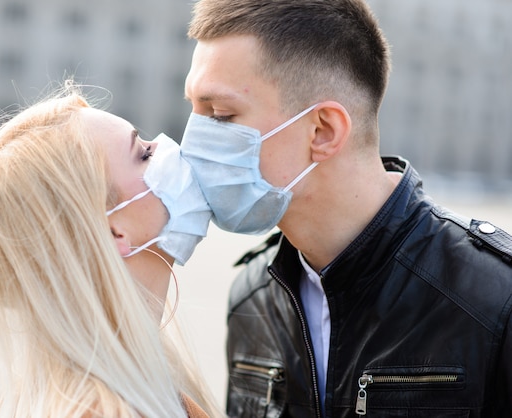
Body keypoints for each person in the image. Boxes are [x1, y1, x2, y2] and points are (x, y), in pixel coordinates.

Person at [179, 0, 512, 417]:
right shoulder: (253, 297)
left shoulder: (494, 299)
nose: (193, 143)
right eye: (194, 111)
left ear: (323, 130)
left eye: (221, 116)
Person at [0, 83, 222, 418]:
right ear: (113, 232)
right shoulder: (104, 408)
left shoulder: (134, 384)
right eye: (143, 154)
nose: (168, 147)